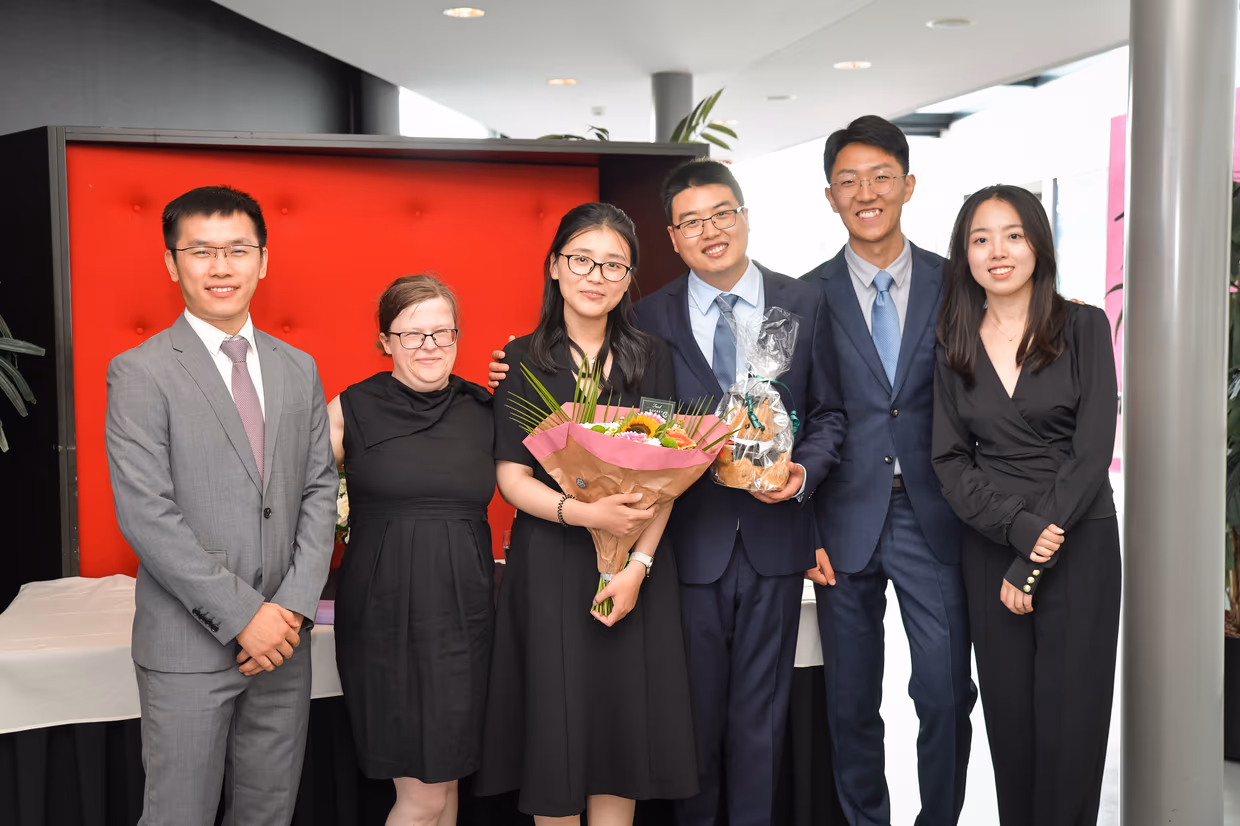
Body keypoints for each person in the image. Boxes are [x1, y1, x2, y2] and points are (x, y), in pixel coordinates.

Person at [490, 161, 848, 826]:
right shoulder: (649, 320)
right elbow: (544, 458)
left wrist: (803, 480)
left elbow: (829, 412)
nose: (709, 231)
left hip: (754, 541)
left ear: (745, 217)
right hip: (682, 547)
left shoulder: (800, 303)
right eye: (691, 222)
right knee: (686, 729)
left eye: (721, 214)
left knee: (761, 727)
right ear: (673, 238)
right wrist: (604, 524)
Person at [104, 185, 337, 825]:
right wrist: (244, 617)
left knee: (268, 814)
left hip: (282, 647)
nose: (221, 266)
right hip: (188, 647)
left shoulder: (299, 369)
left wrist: (289, 612)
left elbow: (320, 490)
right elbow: (146, 515)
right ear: (171, 263)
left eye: (237, 249)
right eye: (201, 251)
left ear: (263, 260)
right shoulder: (140, 371)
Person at [475, 203, 700, 825]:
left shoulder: (651, 357)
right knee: (556, 745)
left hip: (633, 572)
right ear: (554, 266)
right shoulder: (521, 359)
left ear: (629, 279)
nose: (595, 276)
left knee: (619, 745)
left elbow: (666, 474)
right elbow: (511, 479)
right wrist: (585, 513)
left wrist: (637, 567)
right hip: (551, 567)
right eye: (581, 260)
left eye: (613, 265)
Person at [800, 115, 975, 826]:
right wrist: (804, 527)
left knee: (944, 692)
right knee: (849, 701)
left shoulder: (958, 282)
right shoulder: (805, 297)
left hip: (934, 514)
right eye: (849, 181)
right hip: (841, 519)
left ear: (908, 184)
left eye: (880, 177)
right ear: (830, 196)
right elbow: (794, 417)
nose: (865, 193)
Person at [932, 185, 1120, 825]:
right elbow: (949, 460)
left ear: (1038, 243)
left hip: (1080, 541)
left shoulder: (1084, 326)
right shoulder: (953, 340)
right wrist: (1015, 531)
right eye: (980, 239)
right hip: (992, 544)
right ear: (964, 254)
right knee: (1010, 730)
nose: (998, 251)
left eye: (1013, 235)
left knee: (1073, 728)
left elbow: (1091, 454)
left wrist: (1032, 557)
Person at [329, 274, 495, 826]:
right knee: (422, 797)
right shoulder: (349, 408)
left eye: (442, 332)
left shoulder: (484, 408)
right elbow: (291, 499)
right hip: (385, 614)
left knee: (447, 785)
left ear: (457, 336)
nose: (429, 346)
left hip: (466, 614)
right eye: (411, 334)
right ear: (385, 341)